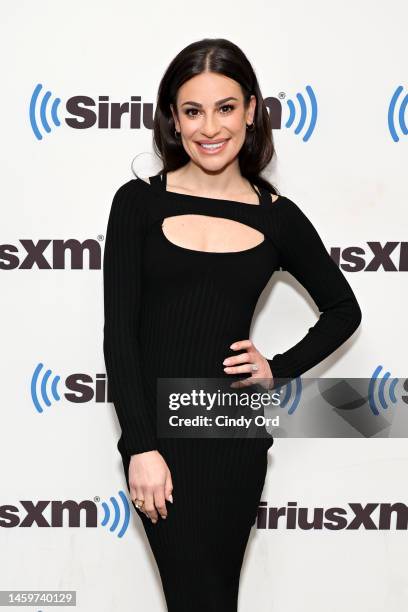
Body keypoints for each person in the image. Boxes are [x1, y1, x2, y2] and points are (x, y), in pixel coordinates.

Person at [103, 38, 362, 611]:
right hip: (160, 442)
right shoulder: (138, 205)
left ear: (250, 110)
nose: (209, 127)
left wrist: (279, 368)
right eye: (192, 110)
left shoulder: (278, 217)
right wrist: (141, 447)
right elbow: (119, 336)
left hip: (231, 428)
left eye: (225, 107)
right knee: (194, 596)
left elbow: (344, 311)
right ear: (173, 118)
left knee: (215, 597)